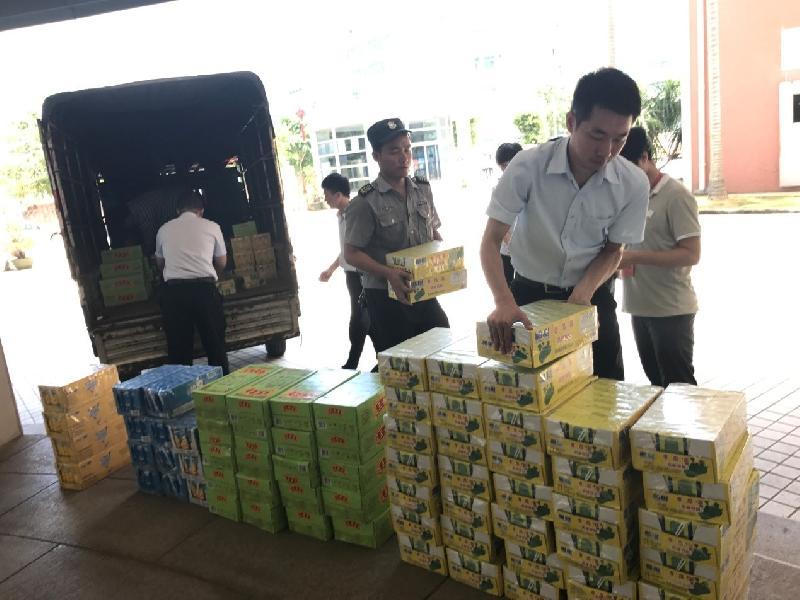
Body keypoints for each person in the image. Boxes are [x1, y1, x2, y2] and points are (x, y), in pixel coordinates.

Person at [480, 68, 650, 381]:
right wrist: (503, 301)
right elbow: (491, 240)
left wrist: (582, 294)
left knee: (603, 388)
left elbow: (614, 250)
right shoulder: (528, 166)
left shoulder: (633, 184)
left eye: (619, 139)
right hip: (528, 297)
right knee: (530, 390)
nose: (607, 150)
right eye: (597, 135)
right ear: (572, 122)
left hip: (591, 296)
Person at [343, 118, 450, 353]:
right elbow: (351, 253)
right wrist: (388, 273)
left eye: (407, 149)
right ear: (376, 156)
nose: (404, 157)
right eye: (394, 151)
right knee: (400, 363)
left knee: (442, 348)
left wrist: (444, 259)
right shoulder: (364, 202)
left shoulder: (422, 189)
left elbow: (433, 232)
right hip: (385, 298)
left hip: (422, 291)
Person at [618, 127, 701, 386]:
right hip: (639, 306)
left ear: (644, 158)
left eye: (627, 168)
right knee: (655, 384)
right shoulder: (632, 196)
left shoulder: (676, 195)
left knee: (679, 386)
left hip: (670, 310)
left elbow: (691, 254)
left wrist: (634, 257)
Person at [155, 189, 230, 374]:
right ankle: (222, 384)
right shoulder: (212, 227)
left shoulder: (163, 229)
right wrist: (212, 274)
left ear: (178, 210)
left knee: (179, 350)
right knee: (215, 344)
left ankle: (182, 387)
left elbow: (160, 263)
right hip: (205, 291)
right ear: (201, 210)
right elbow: (221, 261)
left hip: (174, 294)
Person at [318, 172, 371, 369]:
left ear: (338, 195)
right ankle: (376, 359)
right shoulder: (340, 216)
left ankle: (352, 362)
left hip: (361, 274)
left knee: (359, 319)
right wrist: (331, 270)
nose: (325, 199)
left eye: (327, 194)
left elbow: (358, 248)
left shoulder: (354, 214)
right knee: (365, 318)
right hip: (351, 274)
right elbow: (345, 250)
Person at [495, 142, 524, 287]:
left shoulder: (531, 184)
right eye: (502, 167)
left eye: (507, 165)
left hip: (526, 251)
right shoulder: (499, 188)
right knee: (506, 287)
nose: (505, 170)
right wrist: (513, 247)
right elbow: (499, 225)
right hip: (507, 250)